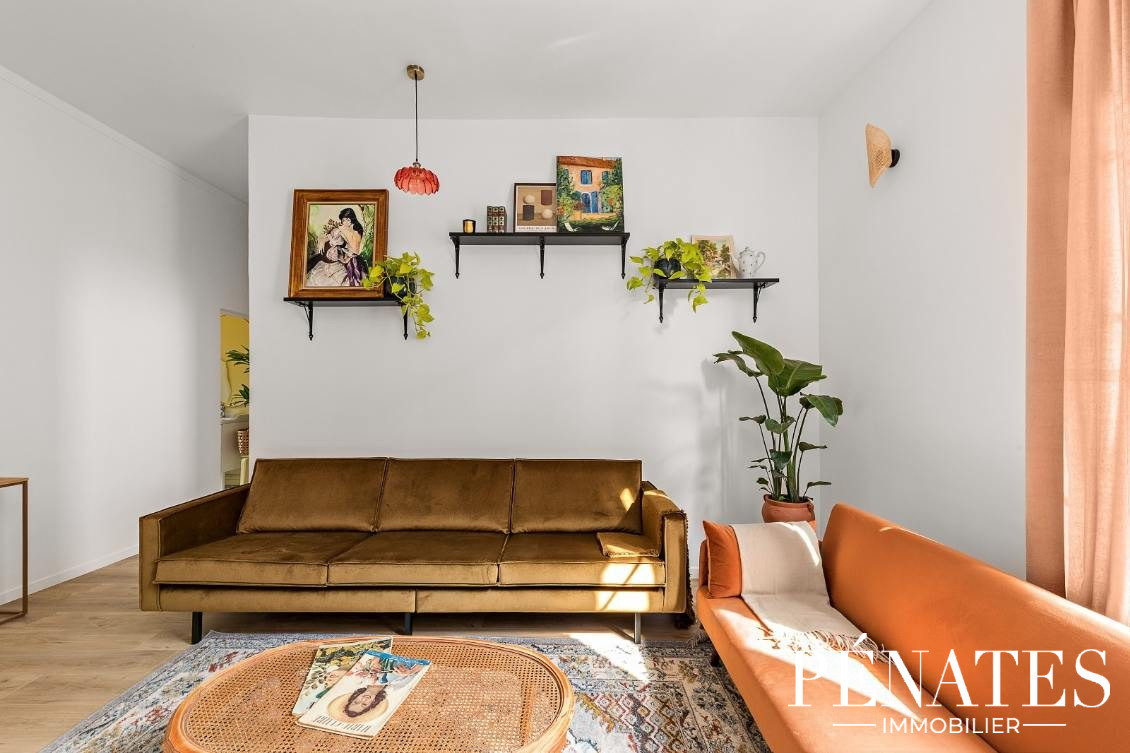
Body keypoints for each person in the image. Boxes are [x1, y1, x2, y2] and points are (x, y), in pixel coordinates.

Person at [306, 207, 368, 287]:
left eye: (343, 220)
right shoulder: (347, 229)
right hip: (347, 258)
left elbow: (354, 249)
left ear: (348, 220)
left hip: (352, 261)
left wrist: (341, 230)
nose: (342, 223)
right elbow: (329, 236)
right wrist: (323, 240)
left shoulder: (353, 230)